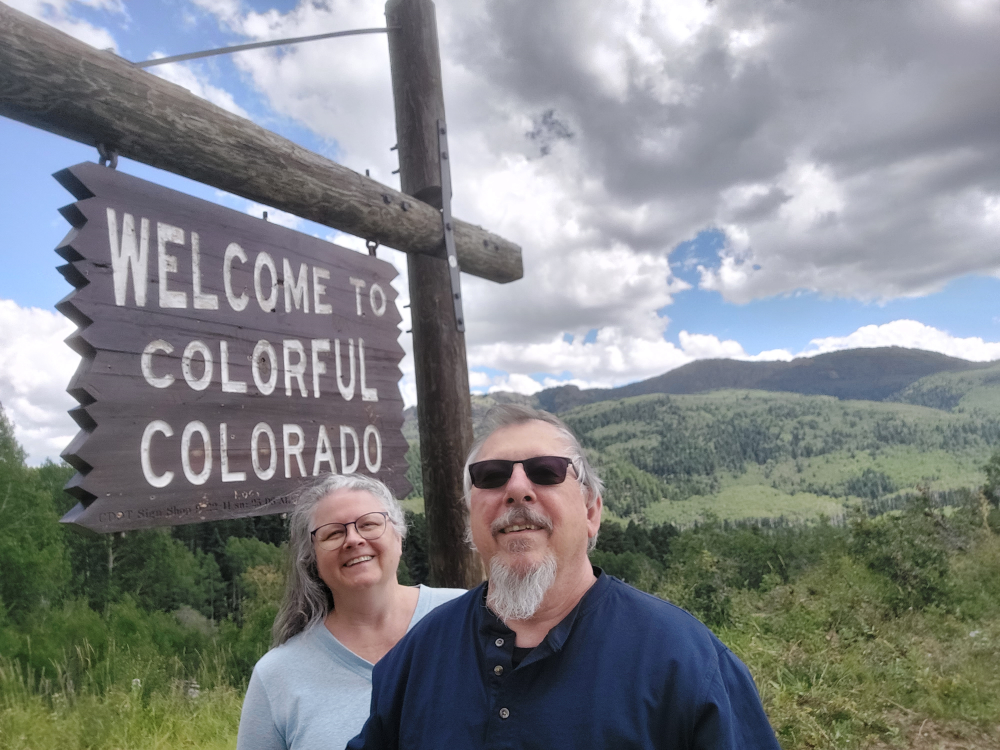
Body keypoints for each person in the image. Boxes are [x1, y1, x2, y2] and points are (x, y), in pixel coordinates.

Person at [348, 405, 781, 749]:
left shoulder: (684, 661)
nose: (517, 488)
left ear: (591, 512)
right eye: (492, 477)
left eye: (547, 471)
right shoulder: (419, 657)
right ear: (470, 519)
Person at [236, 473, 464, 750]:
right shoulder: (277, 676)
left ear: (399, 536)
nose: (353, 540)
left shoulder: (468, 618)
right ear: (312, 560)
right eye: (333, 533)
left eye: (368, 524)